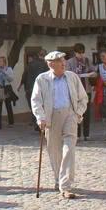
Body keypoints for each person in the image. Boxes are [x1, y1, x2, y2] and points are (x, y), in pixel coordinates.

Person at [30, 50, 88, 198]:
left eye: (64, 60)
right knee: (55, 151)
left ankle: (65, 186)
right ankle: (58, 179)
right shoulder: (42, 79)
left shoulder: (72, 77)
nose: (64, 63)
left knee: (69, 149)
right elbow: (36, 101)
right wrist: (40, 118)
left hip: (70, 115)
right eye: (60, 61)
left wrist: (78, 113)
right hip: (52, 117)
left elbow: (83, 98)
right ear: (51, 64)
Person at [66, 44, 96, 141]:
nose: (81, 55)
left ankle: (86, 134)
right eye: (79, 53)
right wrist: (79, 75)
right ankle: (77, 134)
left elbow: (94, 72)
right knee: (76, 112)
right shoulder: (70, 62)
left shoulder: (87, 61)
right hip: (75, 91)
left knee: (87, 113)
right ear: (75, 52)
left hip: (86, 90)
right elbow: (68, 75)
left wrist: (92, 74)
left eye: (82, 53)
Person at [19, 50, 47, 131]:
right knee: (42, 106)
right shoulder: (46, 65)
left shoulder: (30, 64)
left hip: (29, 88)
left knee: (33, 106)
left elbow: (24, 75)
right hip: (41, 89)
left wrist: (21, 85)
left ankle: (36, 123)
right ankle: (40, 124)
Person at [0, 56, 16, 130]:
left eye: (1, 61)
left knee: (8, 105)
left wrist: (4, 73)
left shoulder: (8, 69)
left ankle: (11, 122)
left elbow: (11, 79)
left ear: (4, 62)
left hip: (7, 88)